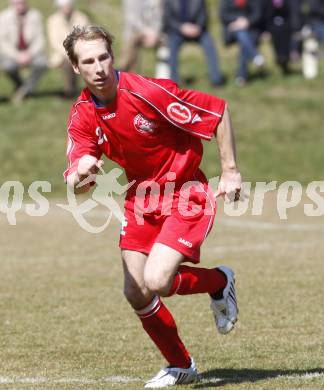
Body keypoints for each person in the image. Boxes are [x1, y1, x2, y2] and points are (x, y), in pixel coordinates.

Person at [63, 25, 241, 388]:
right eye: (88, 62)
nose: (98, 68)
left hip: (185, 192)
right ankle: (181, 365)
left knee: (157, 280)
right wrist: (81, 173)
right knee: (135, 291)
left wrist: (230, 171)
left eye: (103, 57)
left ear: (112, 56)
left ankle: (220, 281)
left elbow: (217, 113)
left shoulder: (148, 92)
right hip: (140, 199)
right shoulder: (83, 114)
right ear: (74, 67)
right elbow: (76, 183)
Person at [163, 0, 225, 86]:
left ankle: (216, 79)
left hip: (197, 29)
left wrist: (198, 27)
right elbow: (168, 18)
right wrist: (181, 27)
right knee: (172, 47)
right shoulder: (169, 1)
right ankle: (173, 82)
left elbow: (204, 15)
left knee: (209, 44)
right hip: (178, 30)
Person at [0, 0, 47, 103]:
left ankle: (24, 91)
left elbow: (40, 38)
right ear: (11, 4)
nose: (20, 6)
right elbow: (3, 42)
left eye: (22, 2)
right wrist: (17, 55)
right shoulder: (3, 17)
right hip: (13, 53)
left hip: (31, 52)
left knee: (42, 63)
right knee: (7, 66)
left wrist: (30, 53)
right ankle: (21, 85)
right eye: (16, 3)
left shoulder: (35, 15)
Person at [47, 0, 89, 98]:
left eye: (68, 5)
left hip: (79, 51)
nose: (67, 8)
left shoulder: (81, 17)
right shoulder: (52, 20)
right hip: (61, 54)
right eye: (64, 6)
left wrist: (76, 51)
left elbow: (85, 36)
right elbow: (54, 42)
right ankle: (70, 90)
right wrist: (68, 53)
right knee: (68, 63)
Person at [119, 0, 169, 78]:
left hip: (155, 32)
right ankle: (128, 75)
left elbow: (162, 16)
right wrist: (145, 31)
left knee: (167, 43)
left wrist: (155, 32)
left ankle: (164, 79)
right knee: (131, 44)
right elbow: (132, 18)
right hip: (136, 31)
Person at [219, 0, 264, 86]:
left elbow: (257, 14)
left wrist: (247, 21)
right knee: (242, 34)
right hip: (231, 28)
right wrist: (237, 21)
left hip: (250, 29)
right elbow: (223, 14)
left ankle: (241, 76)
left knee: (244, 40)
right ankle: (255, 56)